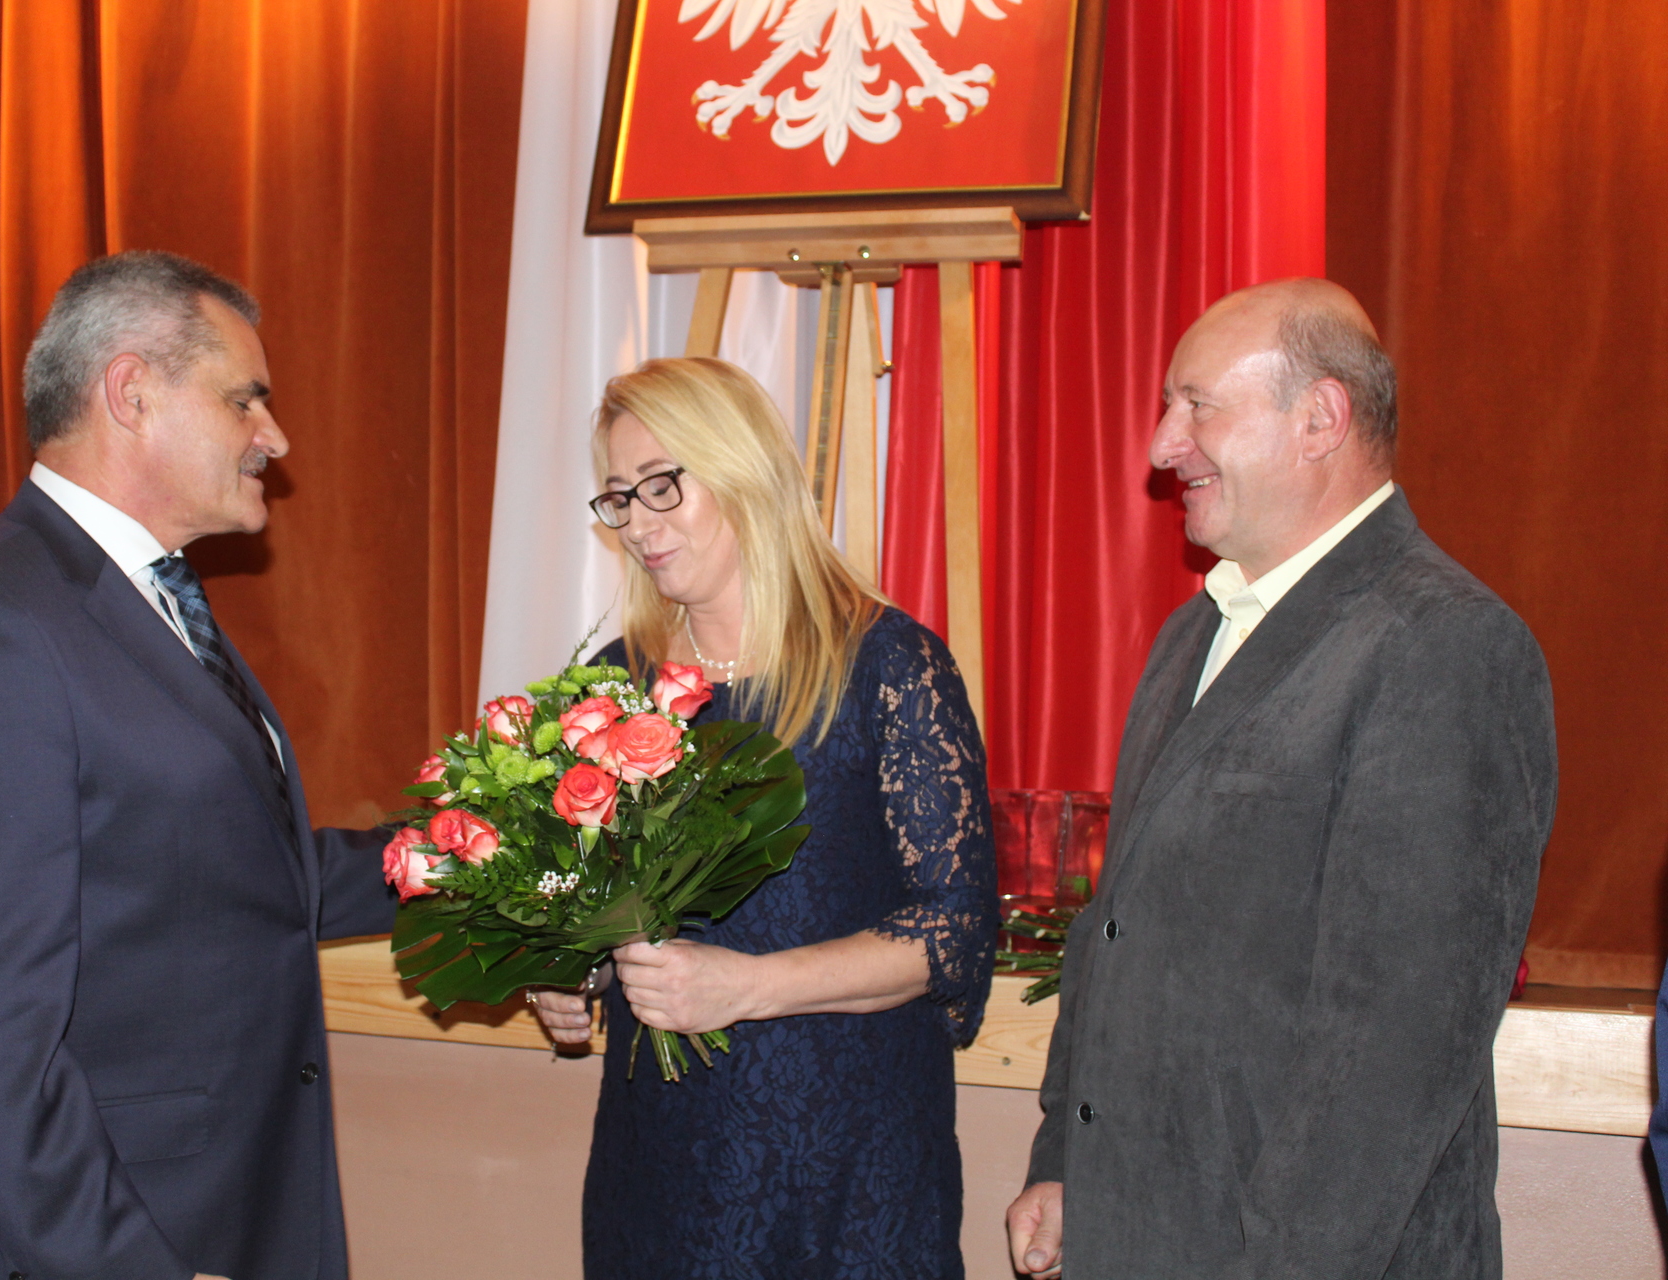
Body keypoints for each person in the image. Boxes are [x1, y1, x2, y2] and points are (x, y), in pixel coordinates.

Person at [0, 251, 397, 1280]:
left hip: (208, 1213)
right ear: (132, 392)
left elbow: (235, 878)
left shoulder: (150, 597)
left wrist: (472, 853)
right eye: (245, 399)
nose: (274, 436)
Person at [1005, 279, 1557, 1279]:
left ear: (1320, 418)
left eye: (1196, 404)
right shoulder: (1191, 635)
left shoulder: (1446, 644)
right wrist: (1065, 1162)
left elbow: (1396, 1045)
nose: (1161, 445)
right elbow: (1114, 934)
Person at [530, 357, 997, 1278]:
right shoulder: (616, 683)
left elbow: (954, 932)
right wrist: (569, 970)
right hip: (662, 1161)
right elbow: (598, 903)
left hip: (847, 1164)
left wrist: (746, 987)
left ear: (742, 468)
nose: (640, 523)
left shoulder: (887, 665)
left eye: (662, 484)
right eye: (620, 497)